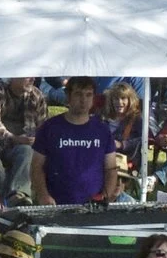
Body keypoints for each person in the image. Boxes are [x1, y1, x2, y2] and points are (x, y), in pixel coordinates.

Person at [32, 76, 117, 207]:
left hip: (94, 206)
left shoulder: (102, 130)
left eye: (88, 95)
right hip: (55, 205)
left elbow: (111, 169)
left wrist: (106, 196)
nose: (83, 100)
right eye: (78, 94)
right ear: (68, 96)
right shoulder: (49, 128)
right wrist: (43, 196)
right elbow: (37, 167)